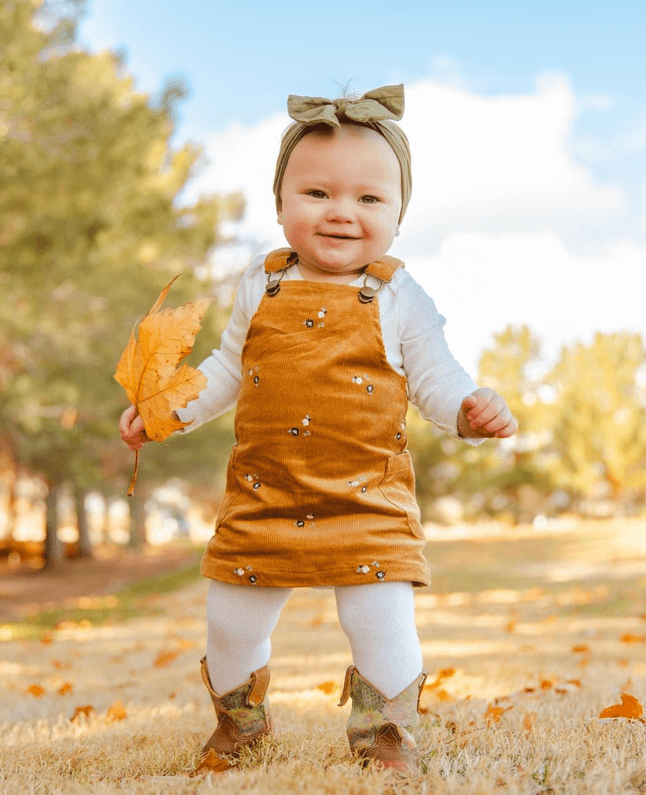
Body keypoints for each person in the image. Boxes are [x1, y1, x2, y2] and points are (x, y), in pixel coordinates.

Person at [119, 84, 516, 774]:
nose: (341, 213)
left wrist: (469, 410)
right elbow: (223, 370)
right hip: (263, 492)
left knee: (380, 622)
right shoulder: (259, 282)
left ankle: (385, 735)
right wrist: (168, 411)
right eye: (317, 194)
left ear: (398, 214)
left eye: (369, 200)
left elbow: (436, 380)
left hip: (367, 499)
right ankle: (239, 723)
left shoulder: (398, 295)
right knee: (231, 621)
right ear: (280, 204)